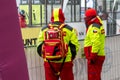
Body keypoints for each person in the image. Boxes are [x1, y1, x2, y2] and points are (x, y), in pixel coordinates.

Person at [37, 8, 79, 80]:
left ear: (52, 17)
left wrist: (47, 56)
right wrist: (70, 57)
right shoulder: (70, 30)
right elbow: (75, 47)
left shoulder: (44, 29)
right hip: (65, 62)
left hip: (49, 63)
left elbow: (39, 47)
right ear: (63, 16)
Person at [84, 8, 106, 80]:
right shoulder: (97, 24)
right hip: (97, 55)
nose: (85, 19)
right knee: (95, 77)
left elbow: (96, 43)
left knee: (93, 77)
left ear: (89, 17)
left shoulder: (94, 27)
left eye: (86, 17)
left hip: (95, 57)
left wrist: (92, 57)